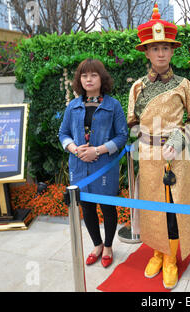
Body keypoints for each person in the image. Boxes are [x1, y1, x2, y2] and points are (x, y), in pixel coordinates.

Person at [127, 4, 190, 290]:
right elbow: (132, 123)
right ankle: (156, 252)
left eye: (165, 48)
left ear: (173, 51)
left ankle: (171, 257)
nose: (160, 53)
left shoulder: (184, 85)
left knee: (172, 208)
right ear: (146, 52)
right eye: (154, 48)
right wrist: (144, 137)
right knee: (151, 207)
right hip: (148, 157)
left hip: (176, 155)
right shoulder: (137, 87)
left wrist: (177, 139)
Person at [59, 58, 128, 268]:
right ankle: (96, 245)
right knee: (86, 207)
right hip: (79, 166)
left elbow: (122, 136)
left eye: (93, 75)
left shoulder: (112, 105)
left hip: (103, 166)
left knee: (107, 207)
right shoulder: (73, 106)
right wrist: (74, 149)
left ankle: (108, 247)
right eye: (84, 75)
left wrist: (97, 150)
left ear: (101, 78)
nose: (89, 79)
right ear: (80, 80)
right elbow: (63, 133)